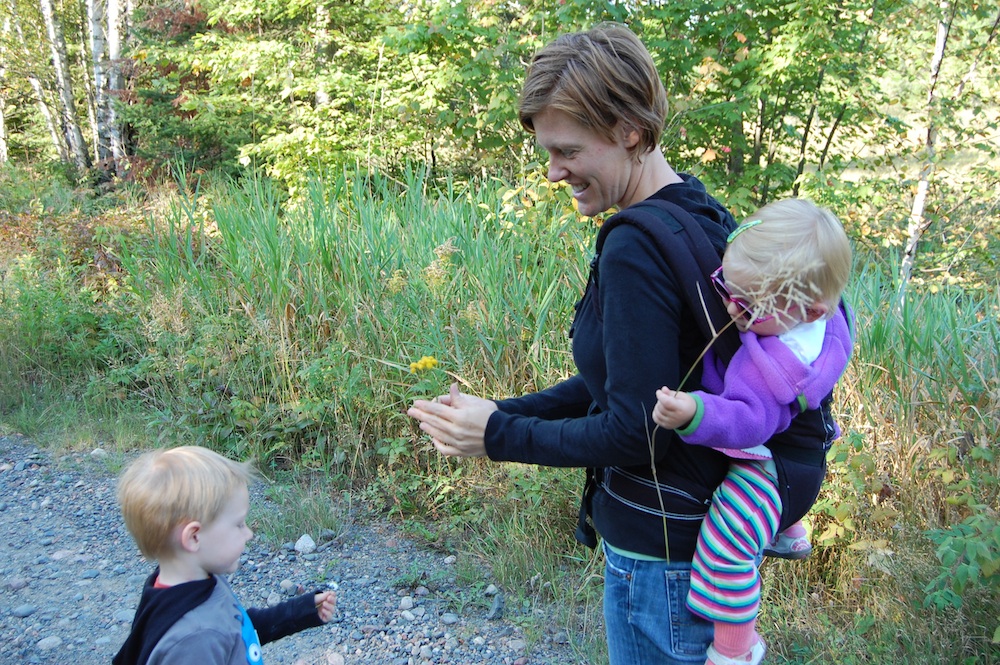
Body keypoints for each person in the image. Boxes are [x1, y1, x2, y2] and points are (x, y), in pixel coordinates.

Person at [408, 23, 838, 664]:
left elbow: (637, 430)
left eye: (568, 150)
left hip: (661, 559)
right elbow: (639, 377)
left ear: (630, 131)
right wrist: (508, 411)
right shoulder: (703, 213)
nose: (553, 172)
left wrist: (498, 438)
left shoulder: (636, 245)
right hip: (697, 544)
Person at [652, 198, 854, 665]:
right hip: (800, 460)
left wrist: (695, 412)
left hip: (768, 471)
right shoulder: (822, 318)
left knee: (726, 546)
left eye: (747, 304)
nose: (729, 305)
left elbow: (750, 421)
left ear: (810, 311)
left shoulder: (778, 366)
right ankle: (787, 528)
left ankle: (736, 650)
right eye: (726, 285)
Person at [112, 446, 336, 665]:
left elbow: (235, 629)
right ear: (194, 538)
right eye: (238, 524)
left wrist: (300, 611)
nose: (249, 533)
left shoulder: (190, 584)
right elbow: (221, 632)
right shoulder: (195, 640)